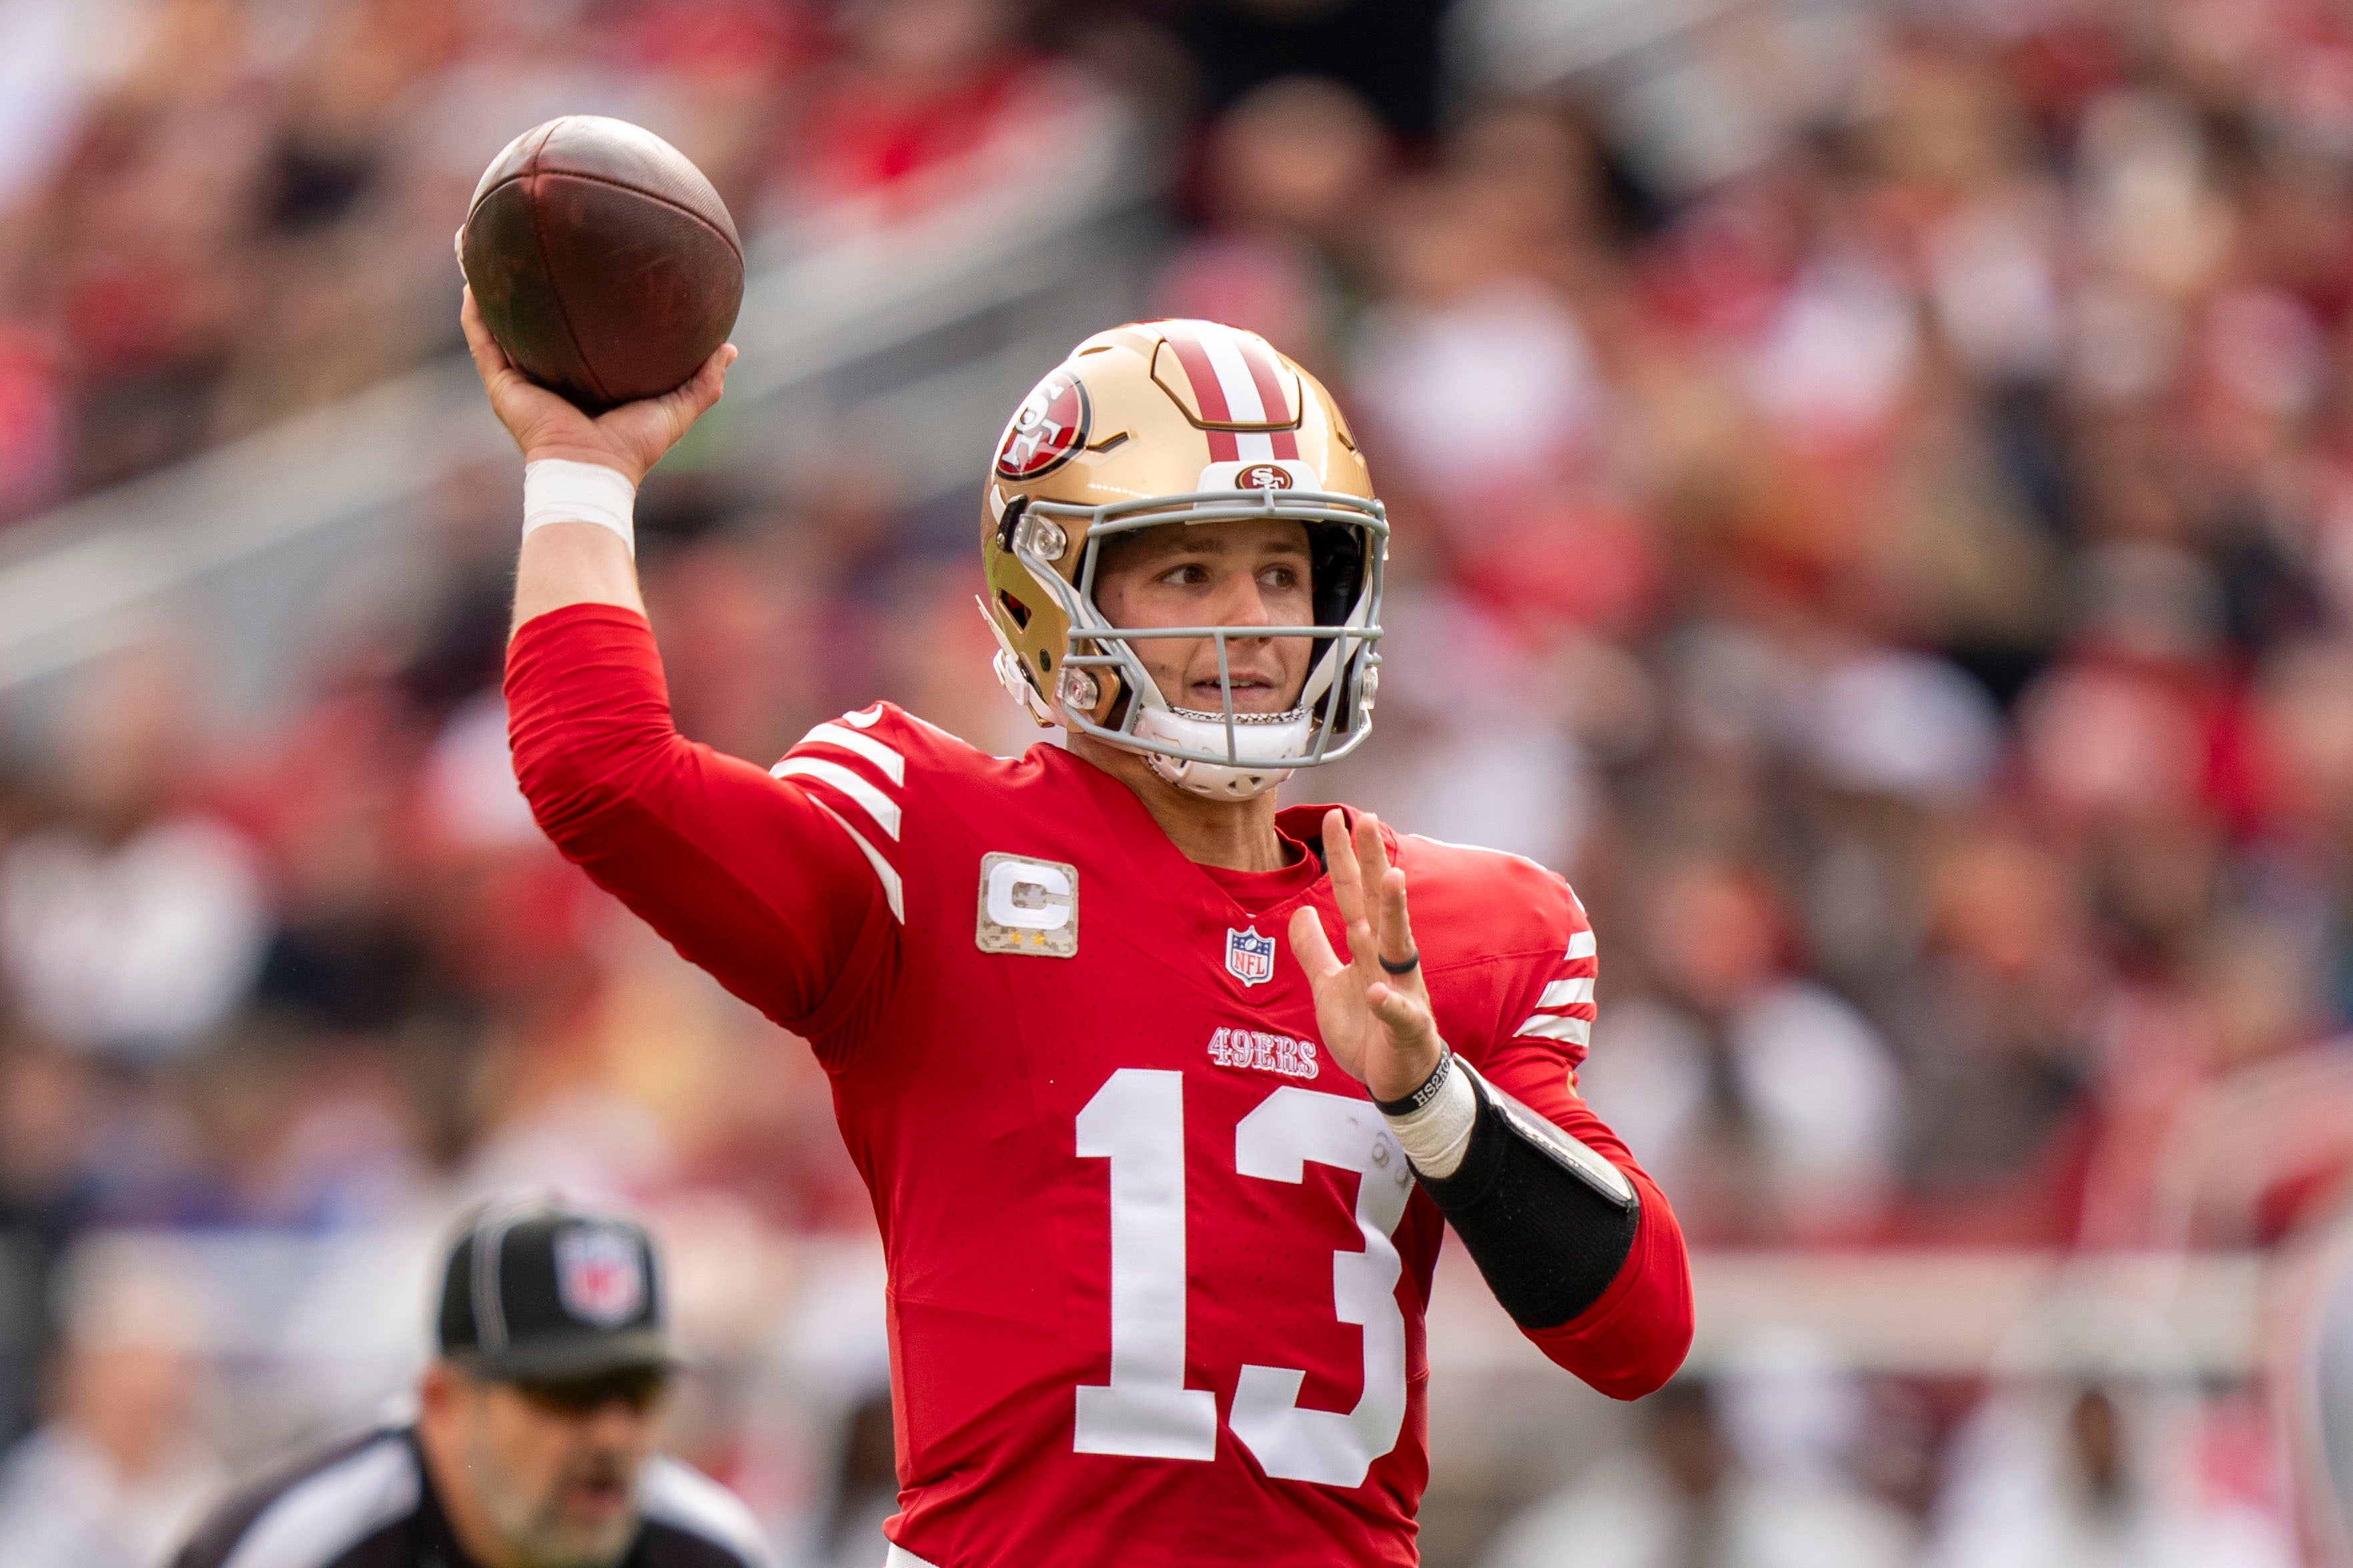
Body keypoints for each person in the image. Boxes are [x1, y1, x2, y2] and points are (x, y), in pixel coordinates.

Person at [472, 293, 1693, 1567]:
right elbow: (595, 771)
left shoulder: (1457, 925)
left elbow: (1639, 1334)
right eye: (1187, 571)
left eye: (1283, 569)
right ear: (1048, 592)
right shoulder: (925, 841)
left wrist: (1433, 1101)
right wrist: (580, 471)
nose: (1251, 623)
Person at [169, 1199, 775, 1568]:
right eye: (567, 1391)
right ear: (444, 1401)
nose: (614, 1433)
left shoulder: (713, 1551)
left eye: (639, 1391)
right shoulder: (301, 1546)